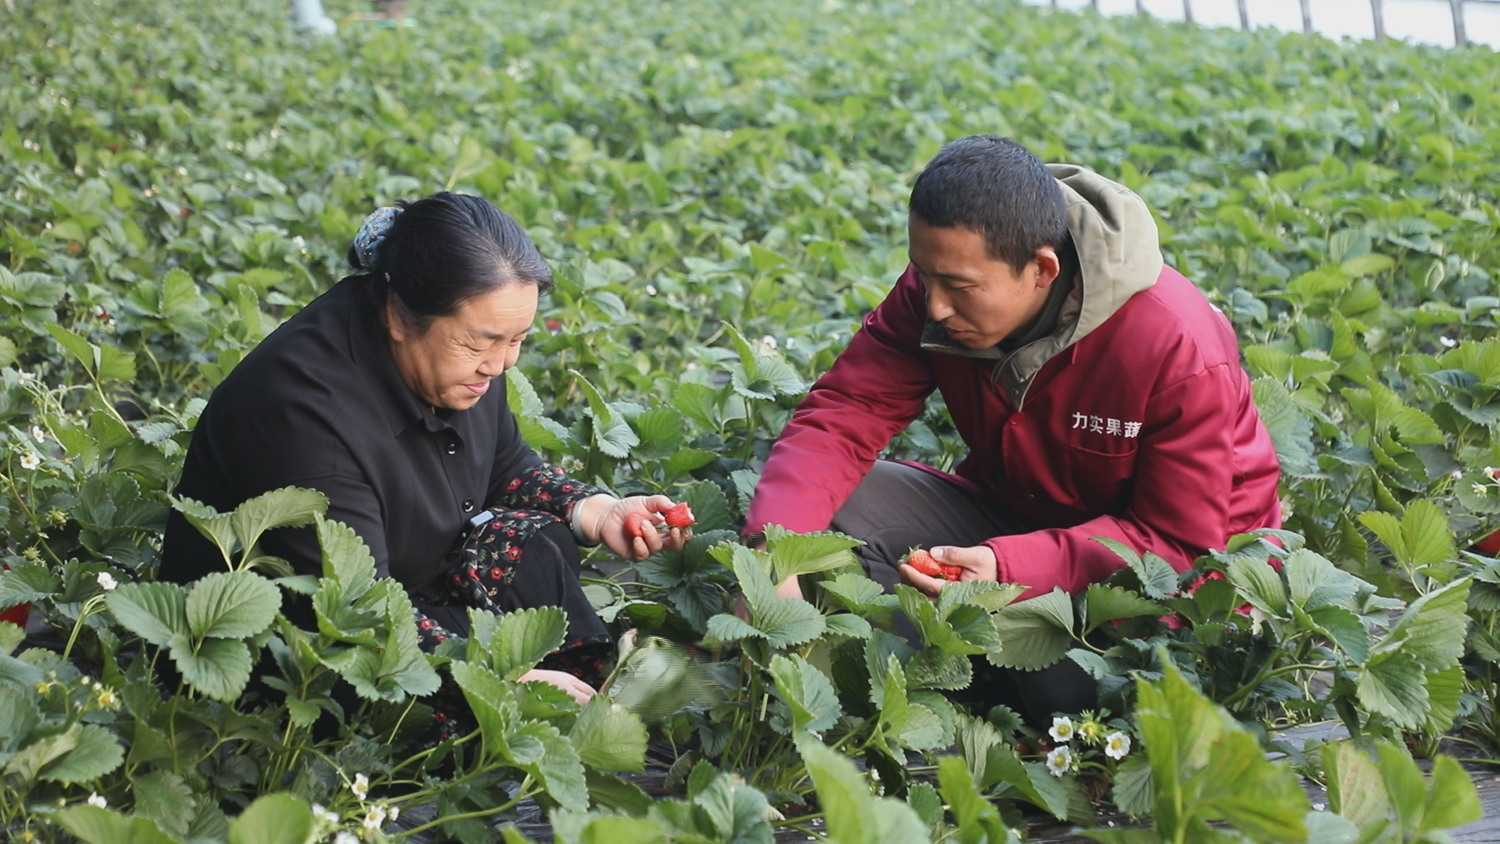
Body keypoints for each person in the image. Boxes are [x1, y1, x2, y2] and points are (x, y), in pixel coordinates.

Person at [743, 136, 1281, 719]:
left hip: (1181, 581)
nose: (937, 308)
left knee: (1066, 691)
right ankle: (913, 689)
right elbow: (846, 412)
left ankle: (953, 689)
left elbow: (1177, 547)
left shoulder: (1175, 345)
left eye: (959, 287)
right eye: (925, 276)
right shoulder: (942, 284)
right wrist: (772, 549)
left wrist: (1008, 569)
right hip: (1020, 513)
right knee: (820, 514)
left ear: (1042, 270)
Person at [161, 192, 688, 724]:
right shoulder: (304, 416)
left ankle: (594, 705)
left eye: (518, 340)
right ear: (398, 316)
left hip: (417, 584)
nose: (500, 365)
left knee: (541, 543)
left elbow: (504, 464)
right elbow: (357, 611)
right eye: (482, 342)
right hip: (306, 651)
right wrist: (498, 679)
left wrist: (594, 511)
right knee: (396, 713)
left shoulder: (459, 366)